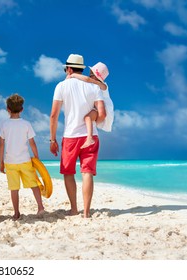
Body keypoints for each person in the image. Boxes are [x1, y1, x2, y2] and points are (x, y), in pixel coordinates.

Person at [49, 54, 106, 218]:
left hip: (70, 136)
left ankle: (74, 209)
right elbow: (101, 115)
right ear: (82, 69)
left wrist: (52, 140)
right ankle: (87, 212)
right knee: (87, 172)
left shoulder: (61, 86)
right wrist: (93, 116)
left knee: (68, 172)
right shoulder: (94, 87)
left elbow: (53, 115)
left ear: (69, 69)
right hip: (91, 135)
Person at [0, 93, 45, 221]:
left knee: (14, 188)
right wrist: (37, 158)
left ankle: (16, 212)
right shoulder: (26, 124)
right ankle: (40, 207)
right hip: (25, 160)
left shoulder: (4, 125)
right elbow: (32, 143)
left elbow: (1, 144)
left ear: (8, 109)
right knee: (33, 184)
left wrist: (1, 162)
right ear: (22, 109)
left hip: (10, 162)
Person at [68, 62, 113, 148]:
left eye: (91, 74)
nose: (89, 76)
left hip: (104, 109)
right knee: (88, 118)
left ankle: (89, 138)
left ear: (96, 76)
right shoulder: (95, 86)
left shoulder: (103, 86)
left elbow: (87, 80)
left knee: (87, 118)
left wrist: (73, 75)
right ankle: (89, 137)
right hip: (98, 108)